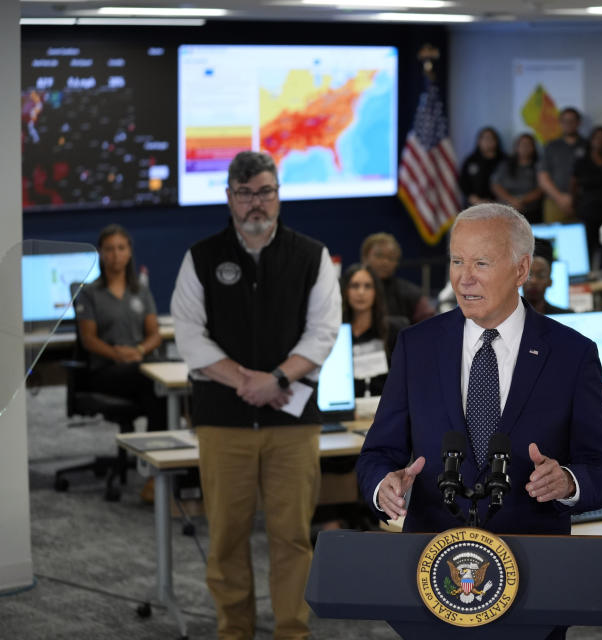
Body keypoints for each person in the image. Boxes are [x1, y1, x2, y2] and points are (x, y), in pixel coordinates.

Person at [356, 202, 602, 538]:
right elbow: (378, 454)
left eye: (481, 263)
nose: (463, 278)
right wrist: (384, 485)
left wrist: (569, 482)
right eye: (457, 261)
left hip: (532, 562)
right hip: (433, 562)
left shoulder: (572, 354)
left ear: (521, 269)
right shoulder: (417, 345)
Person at [170, 150, 341, 640]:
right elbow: (189, 337)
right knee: (226, 539)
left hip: (292, 425)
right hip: (223, 422)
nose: (255, 205)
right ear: (229, 198)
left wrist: (278, 380)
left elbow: (323, 333)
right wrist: (246, 380)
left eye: (264, 192)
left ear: (278, 195)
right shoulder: (200, 258)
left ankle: (292, 632)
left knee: (291, 538)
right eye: (244, 194)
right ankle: (234, 631)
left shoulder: (311, 255)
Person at [74, 224, 167, 431]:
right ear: (101, 252)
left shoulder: (140, 290)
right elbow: (88, 339)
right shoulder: (90, 293)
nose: (116, 254)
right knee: (151, 384)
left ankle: (156, 451)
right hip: (107, 369)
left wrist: (139, 351)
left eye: (121, 248)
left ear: (129, 251)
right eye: (109, 248)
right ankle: (154, 451)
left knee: (160, 387)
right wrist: (118, 354)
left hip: (139, 362)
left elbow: (155, 334)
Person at [341, 263, 406, 398]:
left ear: (376, 292)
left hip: (385, 408)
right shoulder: (336, 333)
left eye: (367, 286)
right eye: (355, 286)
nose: (361, 292)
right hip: (348, 408)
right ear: (346, 291)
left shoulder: (395, 331)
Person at [571, 125, 602, 264]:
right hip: (587, 212)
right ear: (591, 140)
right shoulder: (582, 162)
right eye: (597, 138)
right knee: (587, 249)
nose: (600, 141)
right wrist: (574, 205)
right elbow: (574, 185)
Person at [361, 232, 435, 324]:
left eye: (391, 258)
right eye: (379, 256)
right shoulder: (346, 289)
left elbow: (430, 326)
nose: (385, 262)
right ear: (365, 257)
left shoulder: (411, 294)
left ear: (397, 263)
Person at [537, 107, 588, 223]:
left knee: (580, 238)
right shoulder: (551, 146)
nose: (568, 124)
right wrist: (560, 198)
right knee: (553, 238)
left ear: (579, 123)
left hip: (581, 202)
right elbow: (542, 177)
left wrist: (573, 198)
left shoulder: (588, 145)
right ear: (560, 123)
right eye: (565, 121)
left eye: (572, 121)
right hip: (554, 201)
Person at [490, 132, 543, 223]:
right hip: (506, 210)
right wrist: (511, 200)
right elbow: (495, 184)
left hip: (530, 211)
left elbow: (541, 188)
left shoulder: (538, 166)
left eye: (528, 145)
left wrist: (521, 200)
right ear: (516, 147)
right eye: (522, 144)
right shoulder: (505, 164)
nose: (525, 148)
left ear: (533, 148)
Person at [459, 126, 505, 206]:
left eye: (491, 138)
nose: (488, 141)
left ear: (496, 141)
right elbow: (463, 182)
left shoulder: (504, 160)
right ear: (479, 141)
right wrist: (474, 199)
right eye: (485, 138)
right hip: (474, 204)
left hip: (500, 204)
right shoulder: (471, 160)